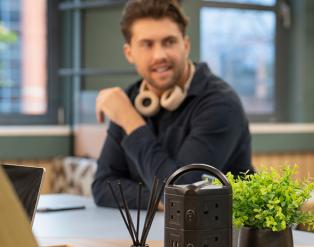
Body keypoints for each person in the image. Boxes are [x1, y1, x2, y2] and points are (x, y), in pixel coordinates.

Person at [91, 0, 253, 208]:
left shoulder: (220, 103)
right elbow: (103, 187)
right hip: (161, 232)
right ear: (129, 52)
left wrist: (131, 122)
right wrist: (162, 199)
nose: (160, 55)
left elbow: (183, 194)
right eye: (147, 44)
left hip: (227, 233)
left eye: (169, 42)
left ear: (185, 45)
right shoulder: (130, 98)